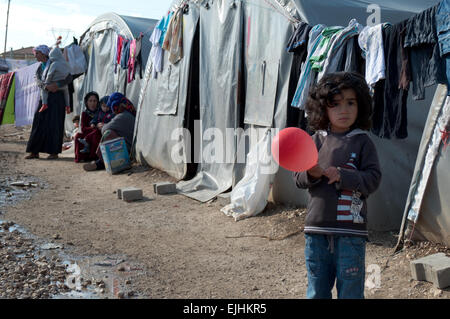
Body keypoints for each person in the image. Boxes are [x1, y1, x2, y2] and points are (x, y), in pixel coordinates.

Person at [293, 72, 382, 299]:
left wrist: (344, 176)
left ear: (360, 105)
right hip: (317, 232)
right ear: (323, 108)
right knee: (317, 291)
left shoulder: (363, 142)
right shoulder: (315, 141)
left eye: (351, 103)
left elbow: (373, 179)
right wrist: (311, 174)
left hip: (350, 233)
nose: (344, 110)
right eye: (335, 104)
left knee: (351, 291)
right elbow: (298, 178)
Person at [25, 44, 72, 160]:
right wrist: (46, 87)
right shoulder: (40, 67)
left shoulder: (56, 62)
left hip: (58, 97)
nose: (35, 55)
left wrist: (58, 84)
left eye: (37, 53)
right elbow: (37, 79)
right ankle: (34, 151)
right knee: (39, 121)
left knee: (55, 123)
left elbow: (69, 77)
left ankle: (53, 152)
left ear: (43, 53)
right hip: (45, 96)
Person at [83, 92, 136, 171]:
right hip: (128, 145)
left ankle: (101, 162)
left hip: (128, 149)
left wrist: (103, 125)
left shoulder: (121, 116)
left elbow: (104, 129)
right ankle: (101, 161)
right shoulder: (128, 113)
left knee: (109, 132)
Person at [39, 47, 71, 114]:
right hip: (63, 85)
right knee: (66, 93)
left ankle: (44, 104)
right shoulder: (66, 63)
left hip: (52, 83)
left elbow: (50, 74)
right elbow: (69, 74)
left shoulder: (54, 64)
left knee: (44, 91)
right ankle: (68, 106)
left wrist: (47, 83)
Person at [74, 91, 100, 163]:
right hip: (88, 132)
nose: (92, 103)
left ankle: (93, 157)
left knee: (96, 133)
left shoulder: (100, 112)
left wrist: (97, 128)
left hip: (98, 132)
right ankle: (81, 157)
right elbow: (83, 128)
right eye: (90, 101)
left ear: (97, 102)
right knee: (78, 136)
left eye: (94, 101)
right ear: (86, 102)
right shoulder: (84, 113)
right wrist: (93, 128)